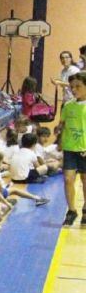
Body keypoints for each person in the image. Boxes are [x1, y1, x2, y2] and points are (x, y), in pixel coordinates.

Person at [60, 73, 86, 227]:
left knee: (85, 180)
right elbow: (62, 123)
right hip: (70, 148)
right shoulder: (68, 105)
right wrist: (58, 132)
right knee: (68, 179)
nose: (74, 90)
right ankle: (71, 211)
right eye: (72, 87)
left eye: (78, 86)